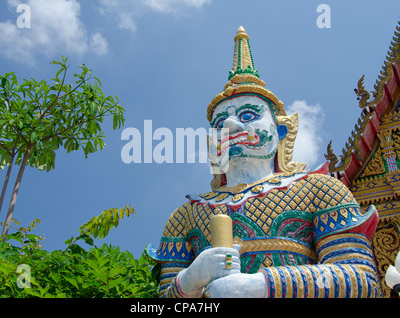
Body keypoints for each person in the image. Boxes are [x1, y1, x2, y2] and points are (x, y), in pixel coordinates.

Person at [146, 26, 382, 298]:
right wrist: (188, 282)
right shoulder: (184, 216)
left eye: (248, 115)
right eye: (220, 123)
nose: (232, 126)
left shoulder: (321, 190)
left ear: (281, 131)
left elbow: (361, 280)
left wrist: (261, 285)